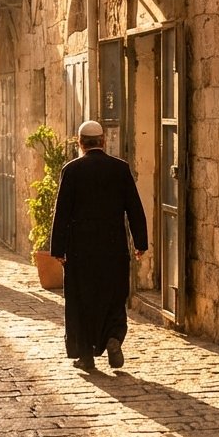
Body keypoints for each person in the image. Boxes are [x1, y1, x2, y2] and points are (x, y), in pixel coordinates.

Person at [50, 120, 148, 371]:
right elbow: (134, 208)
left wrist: (58, 249)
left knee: (82, 302)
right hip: (113, 248)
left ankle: (86, 356)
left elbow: (62, 213)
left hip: (80, 250)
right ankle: (113, 337)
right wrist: (140, 242)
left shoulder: (72, 170)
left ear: (80, 143)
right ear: (103, 141)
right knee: (114, 297)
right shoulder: (120, 169)